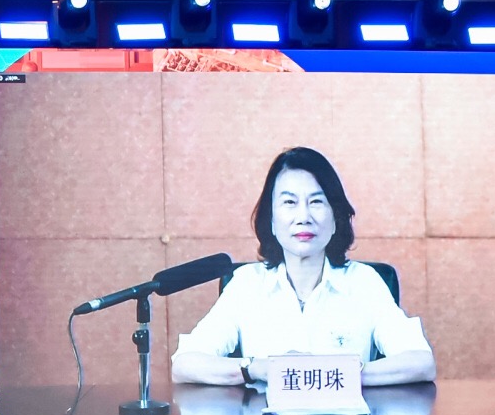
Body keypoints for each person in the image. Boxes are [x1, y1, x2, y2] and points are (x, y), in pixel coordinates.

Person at [172, 146, 436, 387]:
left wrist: (340, 373)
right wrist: (259, 368)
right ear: (271, 220)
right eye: (289, 202)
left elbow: (421, 362)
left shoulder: (364, 282)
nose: (303, 217)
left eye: (316, 202)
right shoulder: (246, 284)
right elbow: (185, 364)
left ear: (336, 219)